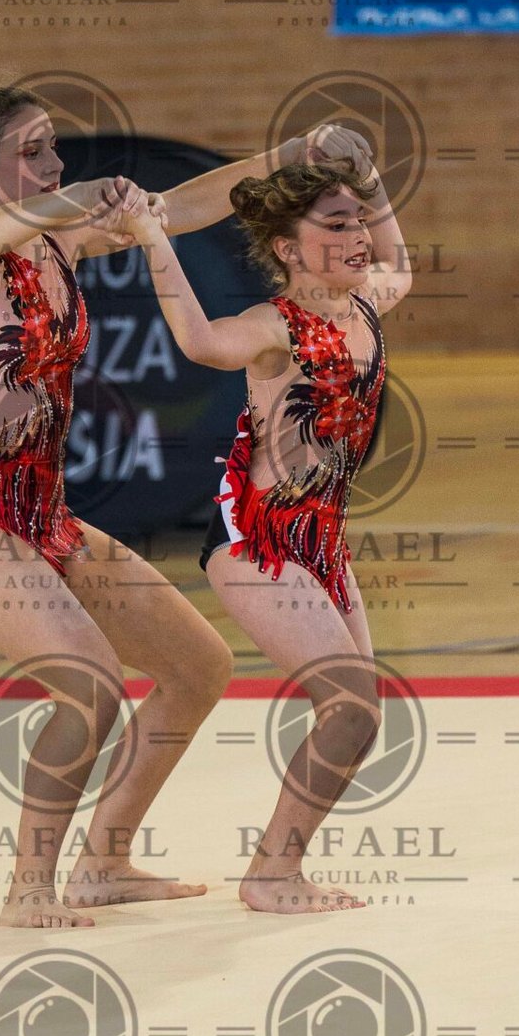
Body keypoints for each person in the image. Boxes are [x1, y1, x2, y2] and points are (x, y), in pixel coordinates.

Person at [0, 83, 368, 927]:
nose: (53, 161)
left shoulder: (59, 243)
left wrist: (289, 156)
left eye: (53, 144)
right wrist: (82, 195)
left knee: (197, 668)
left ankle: (103, 863)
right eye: (31, 151)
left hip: (43, 512)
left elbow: (182, 207)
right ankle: (27, 890)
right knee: (90, 685)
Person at [123, 147, 412, 915]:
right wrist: (153, 237)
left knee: (358, 718)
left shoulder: (367, 303)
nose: (359, 238)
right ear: (288, 247)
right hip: (258, 541)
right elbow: (200, 342)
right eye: (336, 226)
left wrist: (372, 179)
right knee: (351, 706)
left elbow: (401, 264)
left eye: (360, 222)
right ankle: (272, 875)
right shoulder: (273, 326)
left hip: (322, 541)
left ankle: (128, 863)